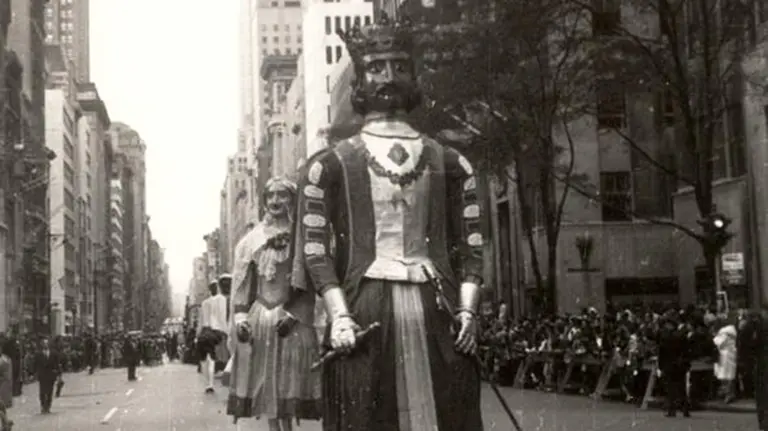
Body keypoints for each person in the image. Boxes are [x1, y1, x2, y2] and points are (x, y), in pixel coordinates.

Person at [290, 13, 484, 430]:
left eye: (399, 66)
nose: (388, 76)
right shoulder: (330, 165)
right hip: (366, 307)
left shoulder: (451, 162)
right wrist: (339, 315)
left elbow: (471, 247)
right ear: (359, 79)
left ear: (414, 76)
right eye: (376, 68)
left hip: (439, 307)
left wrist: (468, 312)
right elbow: (315, 251)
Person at [229, 177, 321, 431]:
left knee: (288, 385)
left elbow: (314, 280)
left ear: (292, 200)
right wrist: (240, 318)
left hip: (293, 319)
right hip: (261, 317)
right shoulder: (250, 241)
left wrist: (296, 314)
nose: (275, 201)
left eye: (282, 195)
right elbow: (241, 286)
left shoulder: (302, 236)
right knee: (265, 383)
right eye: (270, 196)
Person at [657, 312, 691, 417]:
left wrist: (660, 365)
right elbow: (686, 350)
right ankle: (685, 409)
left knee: (670, 388)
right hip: (680, 364)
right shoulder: (681, 335)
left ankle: (672, 410)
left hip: (669, 364)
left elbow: (661, 352)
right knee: (681, 387)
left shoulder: (665, 337)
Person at [197, 280, 228, 393]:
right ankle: (210, 384)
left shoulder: (204, 303)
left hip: (204, 332)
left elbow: (200, 322)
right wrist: (226, 332)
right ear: (218, 288)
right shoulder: (222, 299)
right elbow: (222, 318)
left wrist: (197, 335)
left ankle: (207, 384)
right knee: (211, 358)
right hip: (215, 332)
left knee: (204, 359)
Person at [33, 338, 60, 414]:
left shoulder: (54, 353)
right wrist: (34, 373)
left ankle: (48, 406)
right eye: (44, 343)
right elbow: (35, 364)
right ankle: (42, 405)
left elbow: (57, 364)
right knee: (42, 391)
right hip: (42, 375)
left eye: (46, 343)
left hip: (51, 375)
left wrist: (58, 373)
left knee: (50, 392)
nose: (45, 344)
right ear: (41, 344)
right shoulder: (38, 354)